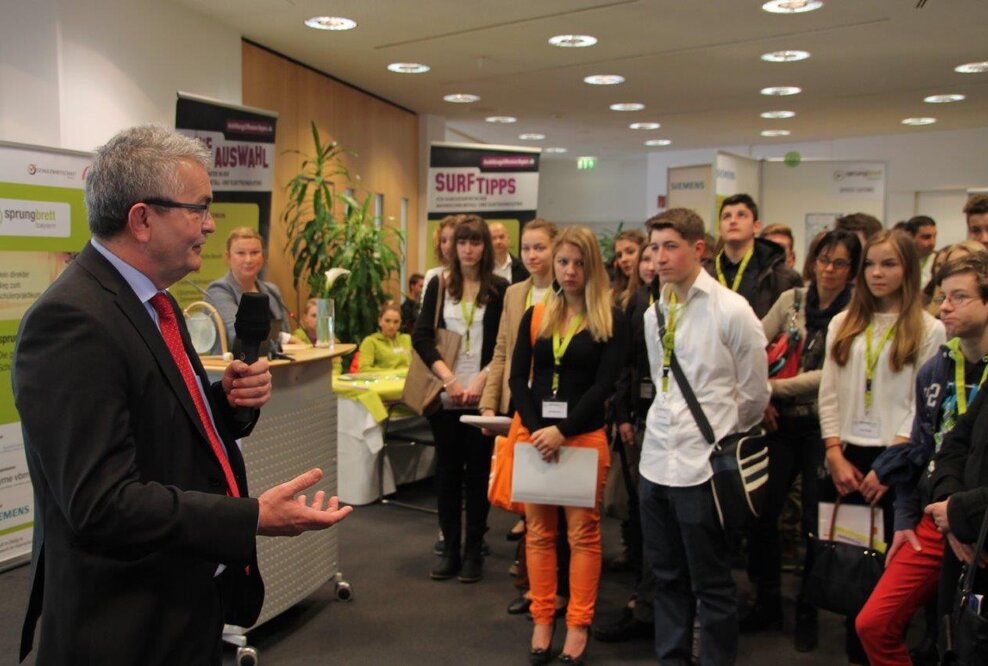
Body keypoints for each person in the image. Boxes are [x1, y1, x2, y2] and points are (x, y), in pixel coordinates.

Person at [11, 125, 352, 665]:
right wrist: (250, 518)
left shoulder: (156, 303)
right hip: (124, 623)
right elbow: (101, 503)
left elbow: (157, 423)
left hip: (182, 598)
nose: (210, 225)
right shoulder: (72, 321)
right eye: (199, 209)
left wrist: (224, 403)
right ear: (142, 219)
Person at [639, 207, 771, 665]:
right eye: (654, 248)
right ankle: (672, 658)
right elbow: (661, 383)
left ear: (698, 249)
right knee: (666, 577)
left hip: (704, 467)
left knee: (712, 583)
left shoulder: (731, 309)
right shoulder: (654, 313)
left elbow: (755, 393)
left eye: (670, 247)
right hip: (656, 460)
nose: (659, 258)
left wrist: (722, 437)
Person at [817, 229, 945, 663]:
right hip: (846, 455)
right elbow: (829, 393)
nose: (876, 273)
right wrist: (833, 452)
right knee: (849, 559)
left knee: (888, 571)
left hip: (897, 458)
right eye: (870, 264)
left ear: (908, 270)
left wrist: (889, 466)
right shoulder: (843, 322)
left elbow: (920, 405)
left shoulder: (929, 328)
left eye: (888, 264)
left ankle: (881, 649)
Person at [856, 253, 988, 666]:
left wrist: (963, 515)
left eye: (959, 297)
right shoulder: (936, 369)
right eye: (943, 297)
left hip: (980, 516)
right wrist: (905, 519)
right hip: (938, 514)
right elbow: (922, 450)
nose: (945, 307)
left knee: (966, 638)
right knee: (873, 623)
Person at [508, 225, 627, 664]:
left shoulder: (610, 319)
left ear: (592, 266)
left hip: (583, 436)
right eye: (563, 262)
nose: (570, 270)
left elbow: (604, 385)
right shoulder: (536, 315)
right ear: (554, 266)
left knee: (583, 536)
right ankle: (543, 618)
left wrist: (563, 430)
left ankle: (578, 624)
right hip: (537, 437)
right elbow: (518, 378)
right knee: (539, 534)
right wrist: (538, 428)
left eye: (579, 263)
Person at [742, 229, 861, 651]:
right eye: (824, 260)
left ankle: (809, 608)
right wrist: (760, 395)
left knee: (815, 521)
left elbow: (832, 376)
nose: (829, 270)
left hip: (823, 426)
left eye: (840, 263)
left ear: (852, 270)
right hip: (777, 423)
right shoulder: (791, 300)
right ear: (812, 261)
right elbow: (751, 346)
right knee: (761, 514)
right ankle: (766, 600)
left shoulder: (856, 311)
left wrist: (769, 389)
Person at [479, 218, 568, 617]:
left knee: (561, 506)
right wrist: (489, 404)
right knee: (530, 505)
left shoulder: (571, 291)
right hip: (521, 405)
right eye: (527, 248)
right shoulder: (515, 293)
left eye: (540, 248)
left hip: (560, 409)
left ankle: (559, 588)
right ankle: (534, 586)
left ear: (556, 249)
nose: (532, 255)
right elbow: (501, 350)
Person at [413, 215, 508, 583]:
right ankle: (450, 549)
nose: (468, 249)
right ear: (453, 247)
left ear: (486, 247)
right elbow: (422, 337)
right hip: (446, 395)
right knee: (448, 474)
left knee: (478, 474)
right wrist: (449, 380)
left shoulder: (499, 288)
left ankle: (474, 552)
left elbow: (504, 343)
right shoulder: (440, 283)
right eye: (462, 242)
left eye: (475, 242)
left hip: (482, 397)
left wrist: (483, 379)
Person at [594, 226, 663, 646]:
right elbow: (626, 365)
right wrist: (621, 415)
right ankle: (643, 597)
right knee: (640, 512)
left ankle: (656, 605)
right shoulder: (636, 302)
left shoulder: (699, 305)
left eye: (661, 252)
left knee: (663, 521)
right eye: (648, 255)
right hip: (637, 419)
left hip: (680, 428)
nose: (653, 262)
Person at [713, 193, 801, 318]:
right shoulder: (705, 272)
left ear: (756, 226)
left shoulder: (784, 277)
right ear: (720, 229)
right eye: (727, 216)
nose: (733, 221)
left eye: (741, 215)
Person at [205, 226, 297, 346]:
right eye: (240, 253)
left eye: (254, 253)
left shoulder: (272, 291)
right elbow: (239, 333)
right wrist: (283, 338)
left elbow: (287, 333)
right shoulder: (218, 290)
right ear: (228, 257)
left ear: (263, 257)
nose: (248, 260)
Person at [358, 302, 412, 371]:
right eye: (387, 321)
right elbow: (364, 369)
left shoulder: (406, 339)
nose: (392, 326)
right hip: (385, 377)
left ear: (400, 323)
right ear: (380, 321)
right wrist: (392, 373)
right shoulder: (370, 341)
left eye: (396, 322)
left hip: (408, 377)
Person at [423, 214, 462, 296]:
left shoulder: (477, 276)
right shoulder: (433, 275)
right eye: (443, 241)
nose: (448, 246)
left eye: (453, 240)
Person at [611, 229, 645, 310]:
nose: (623, 259)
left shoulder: (654, 290)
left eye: (630, 252)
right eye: (619, 255)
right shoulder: (612, 295)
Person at [904, 215, 938, 290]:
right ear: (909, 236)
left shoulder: (938, 260)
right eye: (926, 237)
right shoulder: (899, 260)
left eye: (934, 236)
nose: (932, 242)